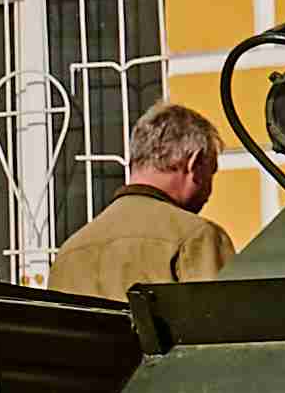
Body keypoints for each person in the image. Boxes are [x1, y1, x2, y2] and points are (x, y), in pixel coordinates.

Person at [47, 103, 241, 306]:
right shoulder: (198, 237)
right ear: (194, 162)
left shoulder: (68, 252)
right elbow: (227, 327)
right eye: (211, 172)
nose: (209, 191)